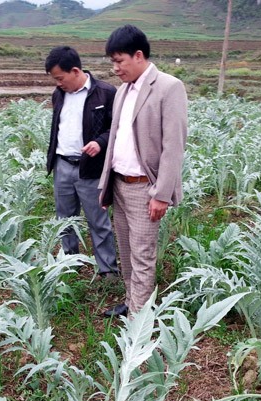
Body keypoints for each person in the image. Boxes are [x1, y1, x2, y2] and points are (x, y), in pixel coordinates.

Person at [98, 25, 188, 317]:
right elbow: (114, 140)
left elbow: (173, 145)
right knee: (126, 250)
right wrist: (106, 185)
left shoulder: (168, 87)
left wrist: (161, 194)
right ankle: (131, 301)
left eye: (119, 61)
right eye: (112, 61)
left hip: (144, 188)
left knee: (143, 255)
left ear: (138, 56)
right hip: (120, 184)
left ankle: (139, 318)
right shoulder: (123, 90)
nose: (115, 68)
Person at [45, 46, 119, 277]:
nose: (58, 83)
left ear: (75, 70)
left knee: (98, 221)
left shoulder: (106, 93)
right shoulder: (59, 94)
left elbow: (117, 128)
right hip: (63, 165)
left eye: (60, 77)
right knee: (65, 221)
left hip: (91, 168)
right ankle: (70, 264)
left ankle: (108, 269)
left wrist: (100, 142)